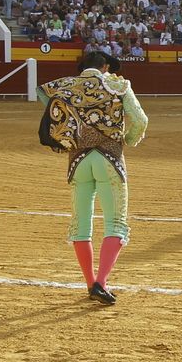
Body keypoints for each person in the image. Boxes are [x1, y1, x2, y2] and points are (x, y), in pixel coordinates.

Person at [38, 51, 149, 305]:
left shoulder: (66, 85)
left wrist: (67, 121)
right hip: (109, 159)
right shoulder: (117, 84)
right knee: (116, 223)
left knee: (81, 223)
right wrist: (128, 139)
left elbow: (43, 95)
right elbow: (141, 120)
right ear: (105, 66)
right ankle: (101, 282)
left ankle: (90, 283)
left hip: (78, 162)